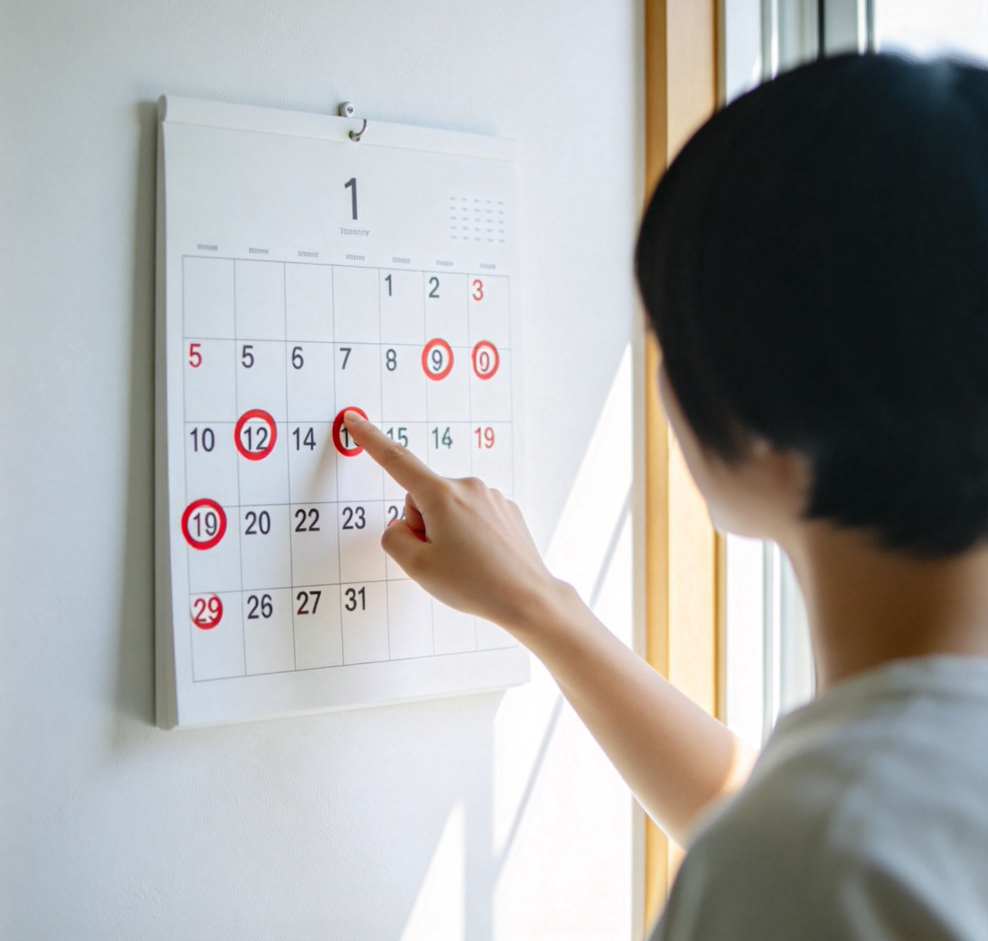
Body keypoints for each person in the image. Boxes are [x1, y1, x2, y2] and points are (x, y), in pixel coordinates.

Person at [344, 52, 988, 939]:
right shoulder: (856, 830)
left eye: (670, 344)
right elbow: (779, 813)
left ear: (760, 405)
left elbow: (801, 849)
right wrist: (540, 606)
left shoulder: (814, 857)